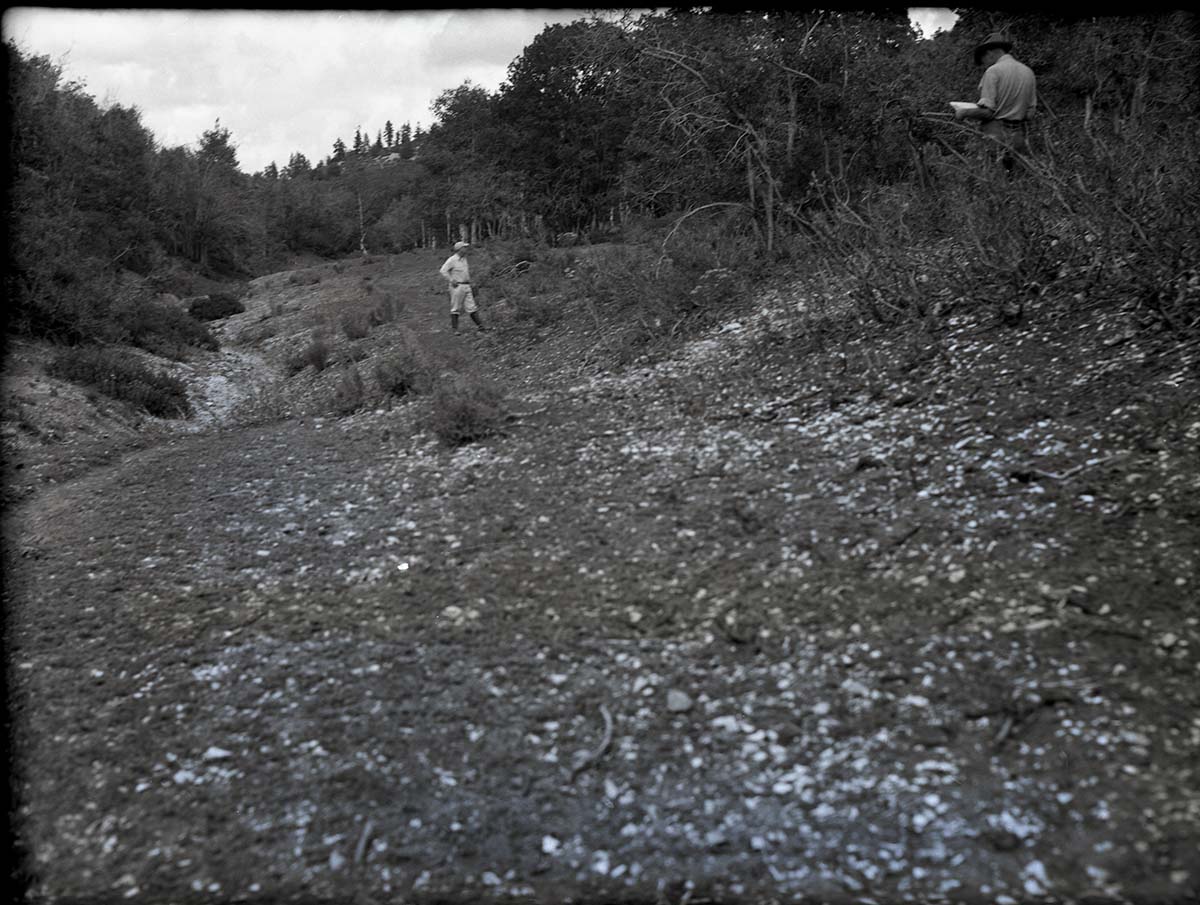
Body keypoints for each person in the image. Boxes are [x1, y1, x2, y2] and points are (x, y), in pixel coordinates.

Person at [955, 32, 1037, 172]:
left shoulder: (993, 71)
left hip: (996, 136)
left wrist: (964, 112)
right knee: (1016, 179)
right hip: (1018, 137)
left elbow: (988, 112)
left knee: (995, 179)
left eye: (983, 60)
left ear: (990, 53)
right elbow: (1030, 114)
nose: (984, 64)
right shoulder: (1028, 72)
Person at [438, 241, 488, 334]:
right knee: (456, 307)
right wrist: (451, 280)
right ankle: (455, 329)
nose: (466, 249)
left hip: (466, 285)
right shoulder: (452, 260)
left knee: (471, 306)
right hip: (457, 286)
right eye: (464, 248)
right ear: (459, 249)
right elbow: (443, 271)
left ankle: (480, 326)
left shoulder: (464, 259)